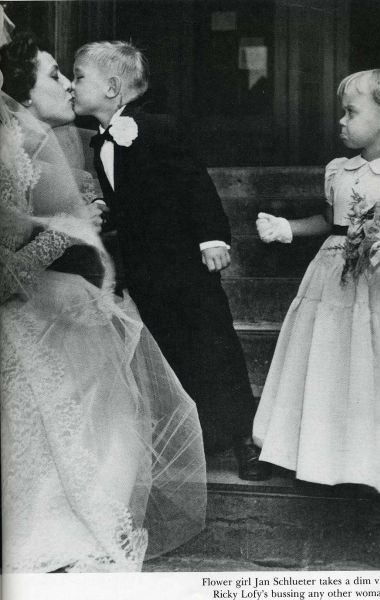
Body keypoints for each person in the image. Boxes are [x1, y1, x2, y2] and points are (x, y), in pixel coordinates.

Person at [0, 30, 206, 573]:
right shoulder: (7, 159)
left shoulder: (50, 149)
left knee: (108, 379)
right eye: (55, 75)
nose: (68, 86)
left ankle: (86, 511)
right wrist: (67, 231)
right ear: (21, 96)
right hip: (22, 310)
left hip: (57, 296)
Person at [253, 67, 380, 500]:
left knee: (377, 364)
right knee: (331, 360)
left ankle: (375, 460)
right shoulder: (339, 171)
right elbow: (331, 221)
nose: (341, 121)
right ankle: (320, 453)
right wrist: (287, 228)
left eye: (351, 113)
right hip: (333, 278)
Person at [71, 40, 271, 480]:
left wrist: (213, 238)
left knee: (213, 345)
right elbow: (135, 199)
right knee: (171, 349)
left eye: (78, 77)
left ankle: (245, 437)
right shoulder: (101, 143)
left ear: (111, 88)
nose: (71, 85)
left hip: (185, 267)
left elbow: (194, 185)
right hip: (147, 271)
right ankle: (199, 435)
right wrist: (107, 210)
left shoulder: (158, 128)